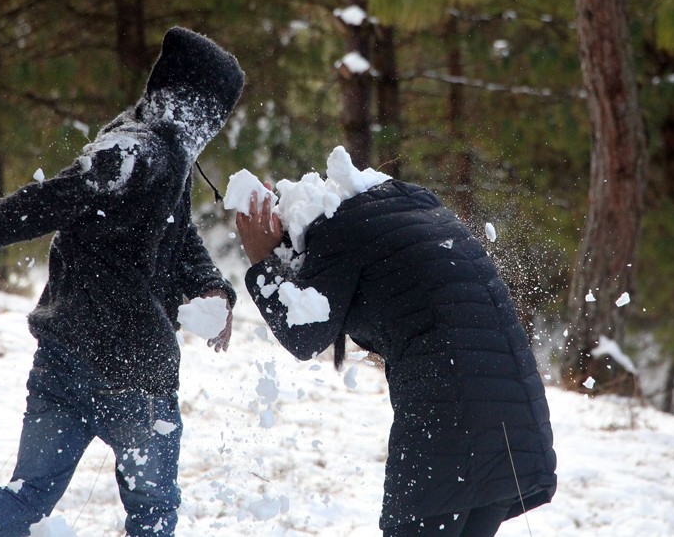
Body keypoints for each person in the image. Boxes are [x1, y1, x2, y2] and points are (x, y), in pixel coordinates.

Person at [0, 27, 244, 537]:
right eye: (215, 114)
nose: (213, 127)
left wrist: (214, 289)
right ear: (195, 104)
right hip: (134, 378)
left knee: (29, 494)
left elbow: (179, 236)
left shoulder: (156, 146)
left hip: (64, 359)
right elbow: (38, 205)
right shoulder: (134, 155)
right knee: (154, 511)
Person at [234, 148, 556, 537]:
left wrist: (262, 260)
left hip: (451, 434)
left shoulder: (342, 232)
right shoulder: (415, 210)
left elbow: (303, 332)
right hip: (517, 430)